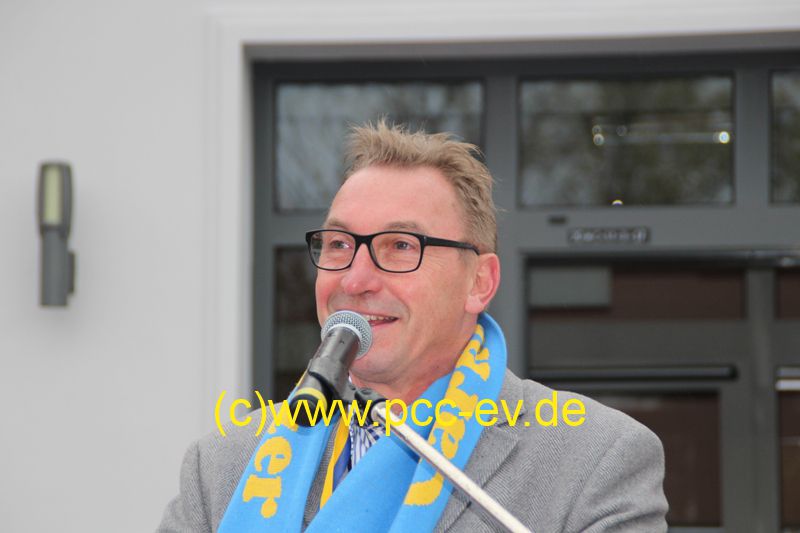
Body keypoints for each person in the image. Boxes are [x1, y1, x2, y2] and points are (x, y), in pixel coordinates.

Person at [159, 121, 668, 532]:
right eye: (338, 245)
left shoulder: (594, 461)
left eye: (401, 246)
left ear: (480, 282)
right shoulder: (222, 468)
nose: (355, 280)